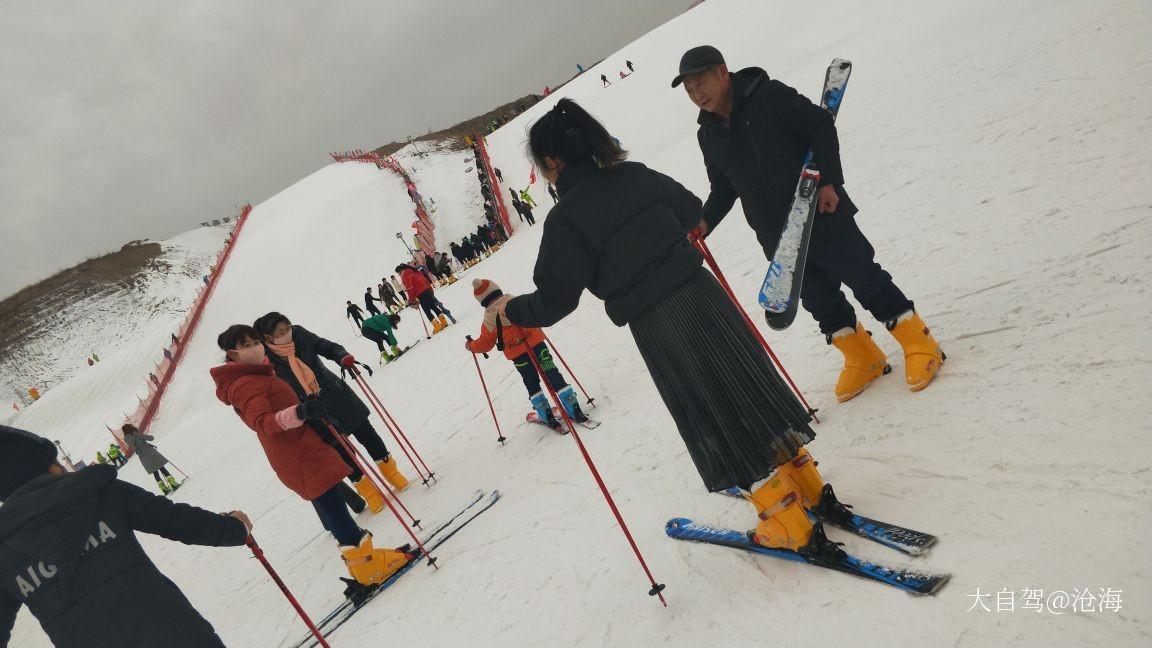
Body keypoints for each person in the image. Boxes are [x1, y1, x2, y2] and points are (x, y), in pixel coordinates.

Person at [487, 98, 851, 560]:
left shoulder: (566, 220)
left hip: (660, 323)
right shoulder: (634, 175)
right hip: (702, 293)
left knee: (719, 412)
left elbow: (556, 300)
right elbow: (689, 209)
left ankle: (790, 524)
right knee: (748, 385)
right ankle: (812, 489)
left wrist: (509, 309)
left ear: (554, 161)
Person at [675, 45, 944, 402]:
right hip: (776, 235)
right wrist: (705, 221)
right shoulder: (708, 134)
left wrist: (829, 180)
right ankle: (862, 356)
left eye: (701, 82)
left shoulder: (768, 96)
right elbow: (724, 186)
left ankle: (918, 341)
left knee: (863, 276)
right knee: (817, 297)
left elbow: (819, 125)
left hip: (821, 211)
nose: (697, 94)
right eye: (690, 90)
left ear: (723, 73)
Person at [0, 425, 251, 648]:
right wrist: (235, 527)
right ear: (50, 467)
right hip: (178, 636)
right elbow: (178, 521)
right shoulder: (98, 491)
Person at [210, 325, 414, 587]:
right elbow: (263, 422)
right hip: (298, 455)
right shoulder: (246, 383)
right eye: (246, 345)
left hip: (304, 448)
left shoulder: (256, 375)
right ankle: (367, 568)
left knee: (335, 509)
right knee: (335, 511)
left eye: (255, 341)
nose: (255, 347)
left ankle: (366, 560)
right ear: (233, 355)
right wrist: (301, 412)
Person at [252, 312, 409, 501]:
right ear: (269, 337)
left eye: (288, 328)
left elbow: (325, 346)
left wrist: (341, 355)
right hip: (313, 410)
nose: (288, 333)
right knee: (341, 452)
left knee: (368, 435)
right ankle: (368, 491)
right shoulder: (266, 360)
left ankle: (391, 473)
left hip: (336, 394)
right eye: (281, 332)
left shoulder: (299, 334)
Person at [466, 279, 586, 429]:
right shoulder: (515, 300)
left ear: (482, 301)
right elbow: (533, 311)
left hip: (518, 354)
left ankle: (545, 414)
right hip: (537, 344)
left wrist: (471, 346)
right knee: (551, 370)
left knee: (531, 380)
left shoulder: (489, 319)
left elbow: (485, 344)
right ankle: (573, 407)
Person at [122, 424, 181, 494]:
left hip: (142, 456)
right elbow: (151, 438)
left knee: (155, 472)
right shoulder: (136, 434)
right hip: (149, 452)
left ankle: (164, 489)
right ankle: (173, 483)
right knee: (161, 468)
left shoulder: (127, 440)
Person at [397, 263, 455, 334]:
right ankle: (444, 322)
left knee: (427, 310)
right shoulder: (414, 270)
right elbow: (425, 279)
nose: (399, 275)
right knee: (433, 306)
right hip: (427, 290)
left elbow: (410, 288)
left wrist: (412, 300)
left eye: (398, 274)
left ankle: (437, 326)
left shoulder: (405, 275)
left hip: (421, 294)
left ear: (400, 271)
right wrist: (431, 290)